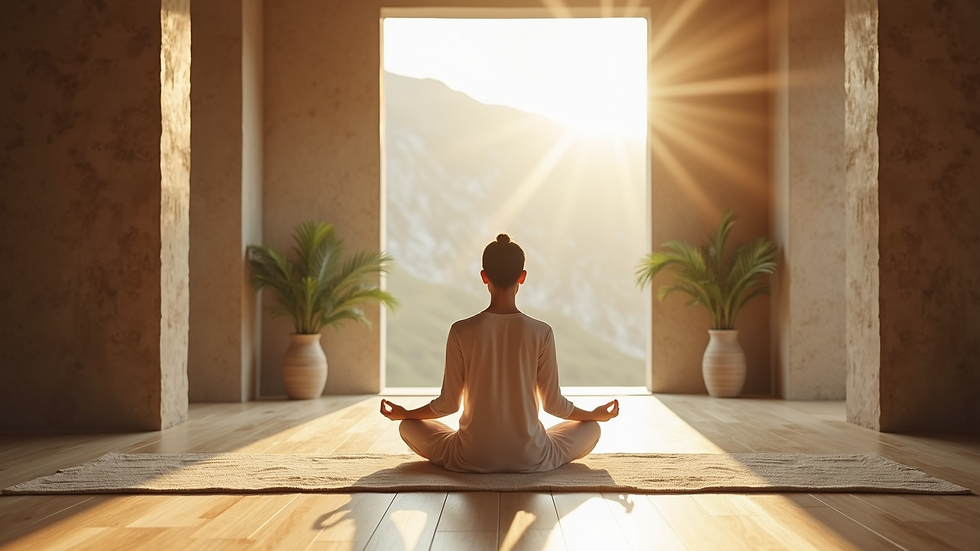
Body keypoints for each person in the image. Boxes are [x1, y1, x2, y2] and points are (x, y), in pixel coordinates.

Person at [380, 233, 619, 473]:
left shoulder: (461, 330)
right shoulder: (542, 332)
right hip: (531, 457)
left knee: (407, 426)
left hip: (470, 456)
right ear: (522, 277)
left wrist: (406, 413)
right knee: (592, 428)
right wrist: (592, 414)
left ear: (484, 277)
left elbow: (447, 405)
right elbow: (554, 406)